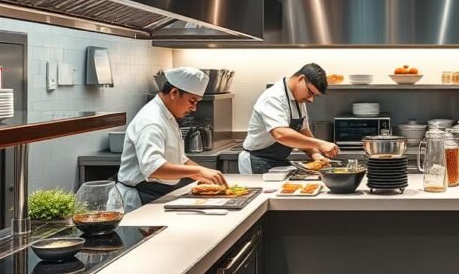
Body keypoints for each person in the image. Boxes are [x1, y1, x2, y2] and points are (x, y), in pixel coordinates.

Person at [116, 67, 227, 210]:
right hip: (140, 198)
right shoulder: (151, 121)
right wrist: (198, 172)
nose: (194, 108)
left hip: (158, 194)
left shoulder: (168, 116)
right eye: (192, 101)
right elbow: (153, 168)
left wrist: (205, 174)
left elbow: (179, 159)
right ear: (174, 93)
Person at [239, 63, 340, 174]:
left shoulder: (298, 99)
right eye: (310, 92)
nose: (311, 99)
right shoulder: (274, 97)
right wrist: (320, 144)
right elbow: (281, 134)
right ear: (301, 79)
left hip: (277, 161)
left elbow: (303, 130)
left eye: (314, 95)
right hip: (256, 161)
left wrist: (315, 154)